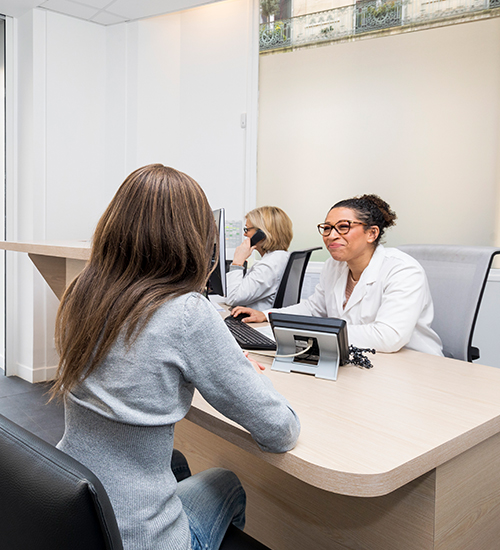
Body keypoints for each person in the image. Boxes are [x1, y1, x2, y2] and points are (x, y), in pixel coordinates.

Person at [51, 164, 300, 550]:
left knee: (178, 462)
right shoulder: (186, 312)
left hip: (77, 511)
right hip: (140, 540)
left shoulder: (82, 292)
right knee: (227, 482)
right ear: (197, 238)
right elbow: (279, 430)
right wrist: (247, 375)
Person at [231, 194, 443, 356]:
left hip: (414, 366)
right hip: (361, 360)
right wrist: (269, 316)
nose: (331, 235)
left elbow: (388, 337)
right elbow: (313, 308)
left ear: (372, 233)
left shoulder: (402, 270)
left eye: (343, 227)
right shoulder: (335, 266)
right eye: (327, 228)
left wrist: (313, 333)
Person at [225, 206, 293, 310]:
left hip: (257, 324)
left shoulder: (269, 265)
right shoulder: (279, 258)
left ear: (261, 234)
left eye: (247, 229)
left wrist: (237, 262)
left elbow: (233, 298)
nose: (244, 234)